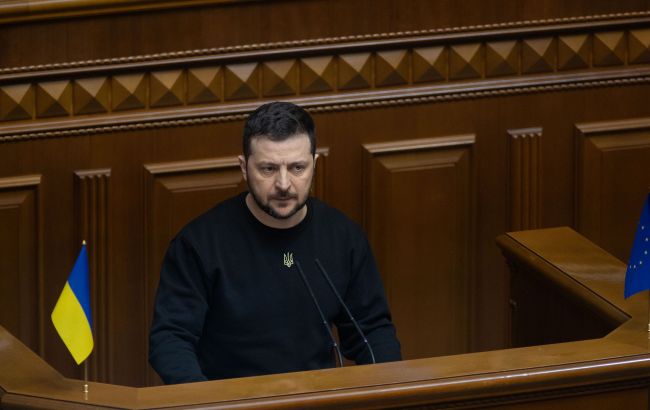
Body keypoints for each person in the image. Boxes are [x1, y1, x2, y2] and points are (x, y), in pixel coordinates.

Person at [149, 101, 401, 384]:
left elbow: (372, 332)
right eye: (268, 169)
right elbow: (171, 339)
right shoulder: (198, 244)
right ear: (244, 167)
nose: (283, 184)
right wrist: (203, 398)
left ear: (315, 165)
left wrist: (388, 390)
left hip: (317, 396)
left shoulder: (343, 236)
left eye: (297, 168)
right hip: (232, 399)